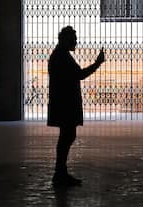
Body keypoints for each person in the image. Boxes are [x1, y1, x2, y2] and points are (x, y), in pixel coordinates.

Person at [47, 26, 105, 187]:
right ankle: (60, 174)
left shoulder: (60, 55)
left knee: (67, 136)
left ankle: (60, 172)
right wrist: (97, 63)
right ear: (66, 40)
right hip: (65, 105)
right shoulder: (62, 57)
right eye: (74, 39)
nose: (76, 42)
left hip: (63, 103)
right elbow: (79, 75)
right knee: (67, 137)